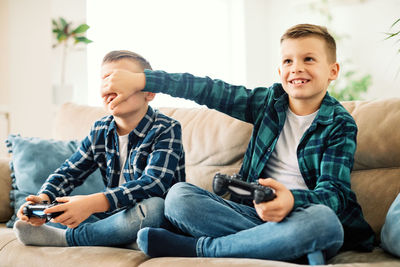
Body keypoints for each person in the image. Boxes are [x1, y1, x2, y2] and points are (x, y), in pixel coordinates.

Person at [101, 24, 375, 264]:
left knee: (323, 222)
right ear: (280, 70)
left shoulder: (339, 123)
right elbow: (206, 89)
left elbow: (334, 194)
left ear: (333, 71)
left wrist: (291, 199)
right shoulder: (267, 103)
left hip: (304, 216)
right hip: (254, 217)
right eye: (288, 61)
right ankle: (283, 247)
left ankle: (203, 248)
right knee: (178, 198)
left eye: (309, 59)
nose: (297, 68)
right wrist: (144, 80)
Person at [13, 50, 185, 248]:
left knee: (154, 208)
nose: (110, 86)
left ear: (149, 92)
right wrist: (44, 200)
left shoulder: (167, 128)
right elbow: (68, 173)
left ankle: (69, 239)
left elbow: (154, 184)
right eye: (105, 80)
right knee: (67, 209)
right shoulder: (100, 129)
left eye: (120, 80)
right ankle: (115, 237)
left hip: (152, 216)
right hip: (113, 216)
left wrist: (92, 202)